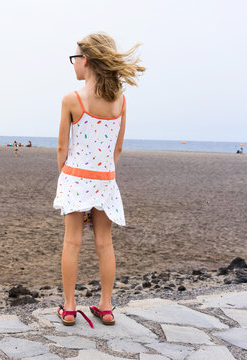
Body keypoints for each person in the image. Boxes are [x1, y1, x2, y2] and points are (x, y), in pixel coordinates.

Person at [53, 31, 145, 327]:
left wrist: (66, 178)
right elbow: (117, 146)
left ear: (87, 61)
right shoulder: (120, 101)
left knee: (72, 242)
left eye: (75, 58)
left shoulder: (72, 98)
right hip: (105, 179)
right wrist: (104, 173)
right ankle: (106, 307)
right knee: (104, 244)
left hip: (75, 177)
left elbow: (62, 148)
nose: (73, 64)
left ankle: (69, 307)